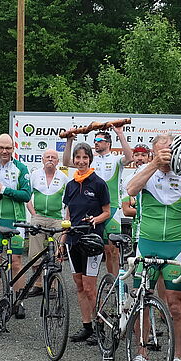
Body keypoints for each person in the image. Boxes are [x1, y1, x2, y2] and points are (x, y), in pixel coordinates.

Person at [125, 134, 181, 361]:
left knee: (175, 304)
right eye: (161, 152)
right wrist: (153, 164)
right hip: (146, 245)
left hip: (176, 246)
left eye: (170, 152)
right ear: (153, 152)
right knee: (142, 300)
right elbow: (130, 189)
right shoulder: (147, 172)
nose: (167, 157)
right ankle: (142, 352)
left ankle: (178, 356)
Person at [63, 126, 133, 276]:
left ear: (108, 143)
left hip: (112, 209)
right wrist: (69, 141)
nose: (96, 143)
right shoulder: (90, 159)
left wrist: (120, 133)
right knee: (97, 248)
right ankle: (96, 279)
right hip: (93, 210)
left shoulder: (115, 159)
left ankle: (113, 281)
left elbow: (129, 158)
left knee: (112, 250)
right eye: (94, 140)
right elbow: (66, 162)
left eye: (99, 140)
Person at [64, 142, 111, 342]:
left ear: (90, 159)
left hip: (92, 240)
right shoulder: (71, 184)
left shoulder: (99, 183)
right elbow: (68, 212)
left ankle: (100, 325)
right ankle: (87, 326)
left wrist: (95, 220)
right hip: (73, 240)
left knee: (90, 287)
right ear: (74, 161)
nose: (81, 161)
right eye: (78, 158)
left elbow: (106, 212)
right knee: (79, 285)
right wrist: (63, 238)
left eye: (85, 158)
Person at [0, 133, 32, 318]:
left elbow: (26, 195)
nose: (5, 151)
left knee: (16, 262)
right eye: (1, 147)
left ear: (13, 148)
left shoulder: (21, 168)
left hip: (16, 221)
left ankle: (19, 301)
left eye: (8, 148)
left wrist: (3, 190)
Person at [26, 148, 69, 295]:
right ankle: (38, 284)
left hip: (56, 218)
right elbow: (27, 196)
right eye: (47, 157)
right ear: (42, 160)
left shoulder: (63, 177)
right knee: (35, 254)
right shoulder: (35, 175)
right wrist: (33, 214)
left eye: (53, 157)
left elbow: (68, 202)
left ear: (58, 161)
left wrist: (65, 220)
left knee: (56, 253)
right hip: (38, 217)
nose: (50, 159)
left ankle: (53, 286)